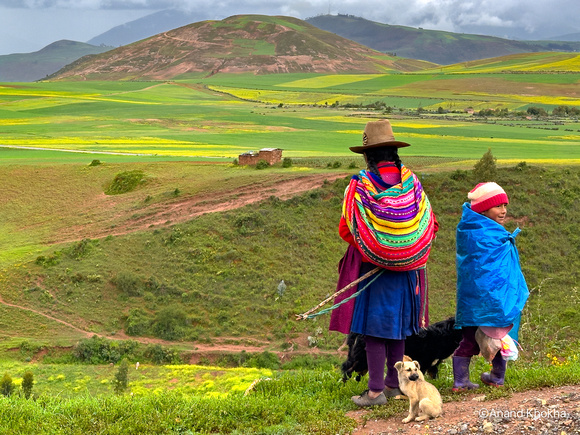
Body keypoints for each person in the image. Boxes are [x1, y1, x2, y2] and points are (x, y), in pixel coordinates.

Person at [329, 119, 438, 407]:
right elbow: (430, 224)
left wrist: (376, 247)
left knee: (375, 331)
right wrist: (402, 247)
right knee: (398, 329)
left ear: (368, 154)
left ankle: (375, 391)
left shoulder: (360, 185)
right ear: (394, 151)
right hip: (406, 272)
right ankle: (393, 385)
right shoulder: (412, 183)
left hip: (373, 271)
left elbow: (346, 229)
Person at [452, 182, 529, 391]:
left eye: (505, 205)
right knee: (490, 335)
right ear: (483, 209)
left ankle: (475, 379)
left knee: (496, 336)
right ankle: (473, 380)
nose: (503, 211)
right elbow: (479, 267)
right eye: (498, 206)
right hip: (484, 297)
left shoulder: (484, 230)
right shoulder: (478, 233)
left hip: (475, 298)